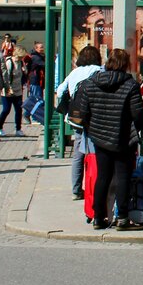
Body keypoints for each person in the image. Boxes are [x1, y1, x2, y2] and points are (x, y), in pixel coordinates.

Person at [69, 48, 143, 230]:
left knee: (102, 177)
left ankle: (98, 217)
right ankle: (122, 218)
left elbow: (83, 113)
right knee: (123, 177)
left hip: (99, 137)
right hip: (124, 138)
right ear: (126, 65)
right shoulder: (131, 85)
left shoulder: (91, 83)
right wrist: (142, 130)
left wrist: (93, 128)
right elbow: (138, 114)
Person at [57, 45, 103, 200]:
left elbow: (60, 91)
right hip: (95, 118)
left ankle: (76, 189)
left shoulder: (74, 72)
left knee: (78, 154)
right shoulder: (99, 70)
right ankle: (95, 186)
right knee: (96, 153)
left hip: (77, 119)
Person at [0, 46, 27, 138]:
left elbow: (24, 74)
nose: (21, 59)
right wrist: (8, 88)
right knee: (6, 110)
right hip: (8, 90)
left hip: (18, 89)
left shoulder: (20, 62)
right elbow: (6, 77)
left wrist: (25, 69)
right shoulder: (9, 62)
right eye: (20, 57)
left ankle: (18, 129)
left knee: (18, 110)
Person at [24, 41, 47, 125]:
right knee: (37, 99)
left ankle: (28, 114)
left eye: (42, 47)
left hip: (37, 81)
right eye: (40, 47)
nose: (42, 49)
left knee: (37, 98)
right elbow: (45, 65)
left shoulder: (39, 56)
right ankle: (31, 116)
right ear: (36, 48)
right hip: (35, 81)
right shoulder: (36, 57)